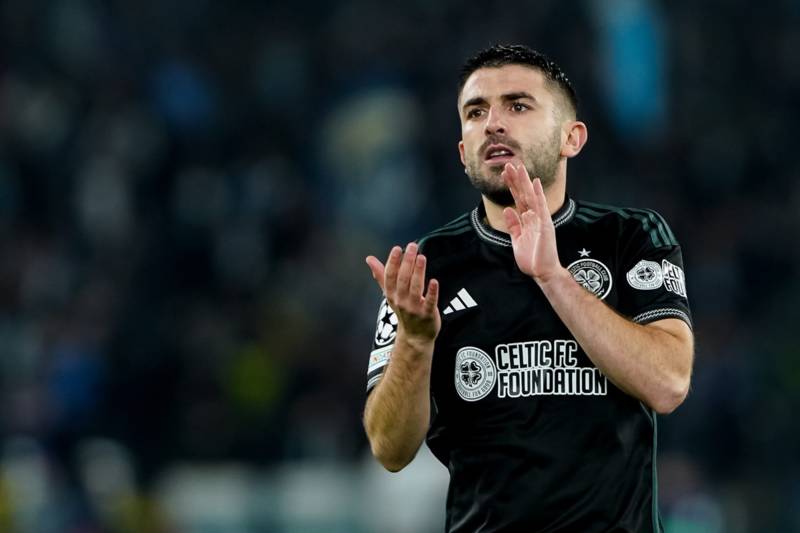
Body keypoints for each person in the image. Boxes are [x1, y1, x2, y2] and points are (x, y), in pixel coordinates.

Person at [362, 44, 694, 532]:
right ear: (462, 152)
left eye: (517, 106)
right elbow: (389, 450)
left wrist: (553, 277)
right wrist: (414, 341)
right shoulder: (425, 267)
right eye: (476, 112)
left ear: (571, 138)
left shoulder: (631, 237)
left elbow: (668, 383)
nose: (493, 124)